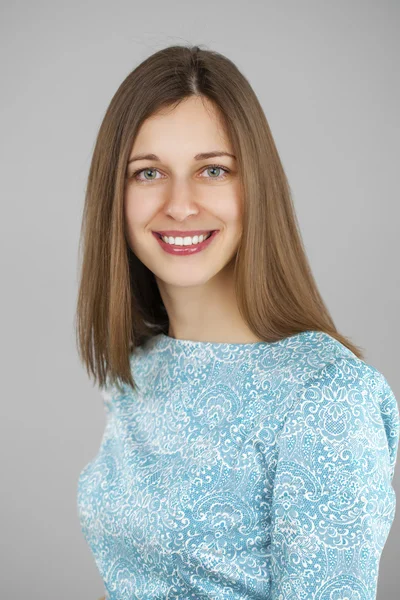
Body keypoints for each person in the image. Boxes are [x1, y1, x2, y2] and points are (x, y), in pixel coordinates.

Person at [75, 44, 399, 600]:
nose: (180, 205)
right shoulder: (134, 370)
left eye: (214, 170)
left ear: (256, 190)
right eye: (148, 172)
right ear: (115, 196)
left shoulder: (326, 398)